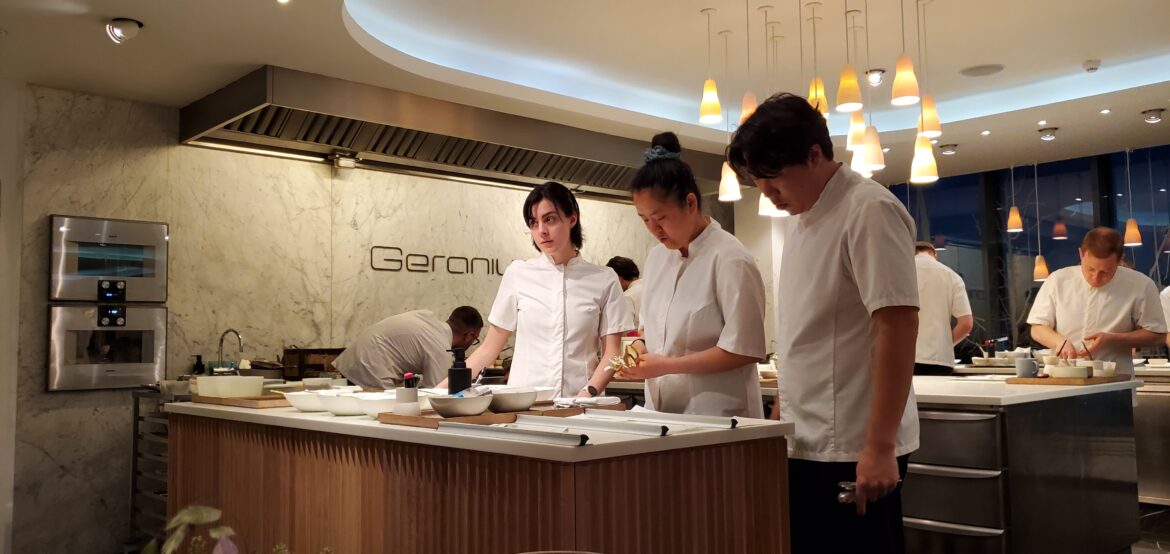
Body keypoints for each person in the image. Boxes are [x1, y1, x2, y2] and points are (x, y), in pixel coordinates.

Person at [728, 93, 920, 553]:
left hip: (854, 440)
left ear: (815, 155)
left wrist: (879, 447)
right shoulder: (801, 219)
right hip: (806, 435)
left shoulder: (868, 209)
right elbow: (805, 333)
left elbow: (897, 326)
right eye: (759, 184)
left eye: (774, 181)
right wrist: (782, 416)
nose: (770, 196)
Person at [617, 132, 767, 418]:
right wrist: (636, 350)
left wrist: (665, 365)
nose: (654, 230)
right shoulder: (657, 258)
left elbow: (745, 349)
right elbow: (651, 331)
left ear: (690, 203)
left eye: (660, 218)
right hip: (661, 414)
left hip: (719, 416)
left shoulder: (730, 258)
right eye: (645, 220)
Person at [461, 181, 633, 398]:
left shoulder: (603, 278)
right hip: (524, 405)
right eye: (534, 223)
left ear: (572, 219)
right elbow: (489, 348)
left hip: (580, 406)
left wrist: (588, 392)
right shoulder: (518, 273)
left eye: (549, 219)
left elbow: (612, 352)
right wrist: (442, 390)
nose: (541, 231)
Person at [1028, 227, 1166, 374]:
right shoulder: (1057, 280)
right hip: (1063, 375)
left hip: (1116, 378)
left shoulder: (1141, 285)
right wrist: (1060, 342)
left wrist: (1114, 339)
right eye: (1090, 269)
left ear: (1120, 260)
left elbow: (1157, 335)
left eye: (1105, 272)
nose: (1096, 277)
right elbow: (1037, 328)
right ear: (1081, 253)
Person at [333, 307, 483, 390]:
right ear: (469, 335)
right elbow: (435, 393)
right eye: (475, 339)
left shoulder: (426, 317)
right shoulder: (440, 346)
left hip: (356, 357)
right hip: (371, 366)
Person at [913, 241, 973, 375]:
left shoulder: (901, 273)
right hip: (940, 360)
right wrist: (945, 345)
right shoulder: (952, 276)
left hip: (904, 357)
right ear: (935, 255)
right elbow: (966, 324)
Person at [605, 256, 644, 329]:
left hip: (638, 339)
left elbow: (625, 329)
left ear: (617, 278)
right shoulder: (652, 287)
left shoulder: (627, 297)